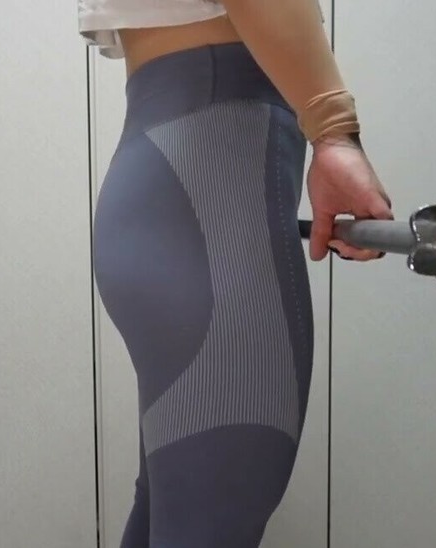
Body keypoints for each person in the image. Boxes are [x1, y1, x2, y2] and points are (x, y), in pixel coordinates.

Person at [80, 0, 393, 546]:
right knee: (211, 515)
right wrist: (333, 131)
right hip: (209, 202)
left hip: (164, 186)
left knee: (183, 512)